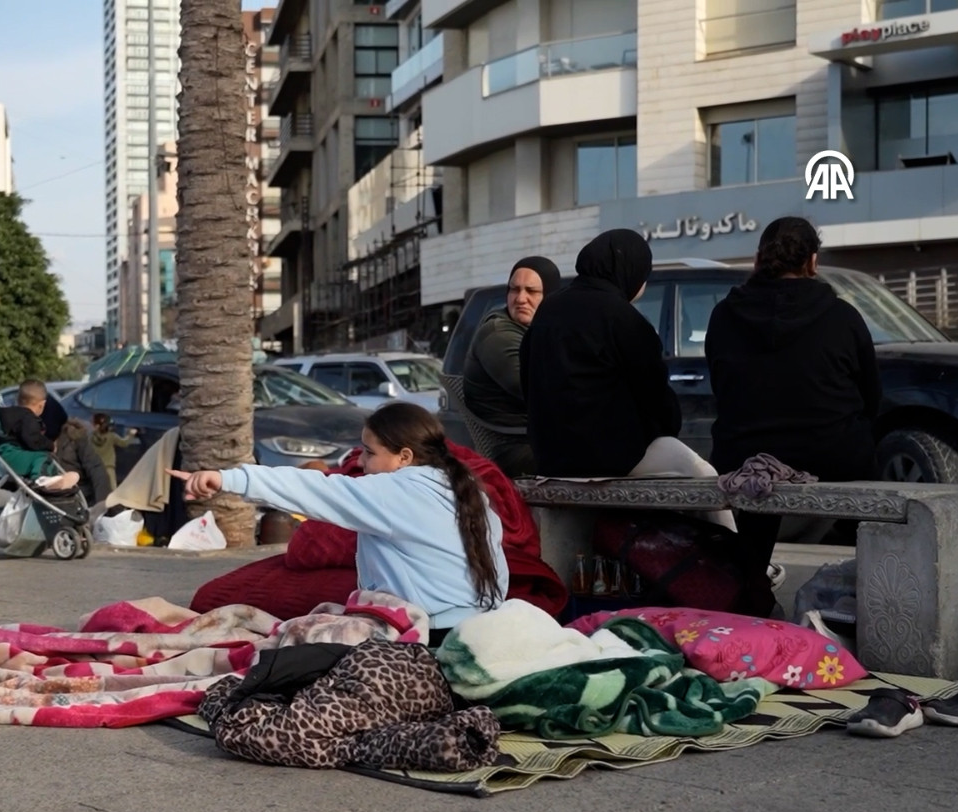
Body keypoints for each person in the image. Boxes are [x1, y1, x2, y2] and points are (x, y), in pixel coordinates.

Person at [171, 402, 506, 639]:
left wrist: (227, 479)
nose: (361, 461)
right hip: (478, 628)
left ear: (405, 456)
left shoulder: (396, 490)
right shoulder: (464, 488)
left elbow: (316, 490)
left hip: (430, 636)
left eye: (370, 453)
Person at [520, 229, 733, 530]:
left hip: (550, 459)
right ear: (631, 272)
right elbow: (656, 402)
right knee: (702, 472)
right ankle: (740, 567)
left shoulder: (547, 312)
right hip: (609, 460)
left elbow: (528, 383)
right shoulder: (623, 318)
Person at [706, 216, 879, 576]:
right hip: (831, 455)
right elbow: (871, 396)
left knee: (759, 465)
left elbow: (721, 387)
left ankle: (751, 583)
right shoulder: (842, 316)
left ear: (759, 259)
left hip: (743, 454)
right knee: (865, 453)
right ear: (812, 262)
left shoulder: (724, 315)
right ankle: (868, 580)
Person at [462, 256, 560, 477]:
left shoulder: (544, 329)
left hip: (542, 439)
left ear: (550, 296)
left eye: (531, 291)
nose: (521, 298)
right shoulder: (498, 334)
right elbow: (541, 391)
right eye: (514, 290)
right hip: (514, 447)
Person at [89, 412, 138, 489]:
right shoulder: (112, 436)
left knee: (96, 487)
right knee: (112, 487)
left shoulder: (90, 437)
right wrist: (131, 434)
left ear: (96, 426)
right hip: (109, 467)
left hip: (96, 467)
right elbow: (124, 443)